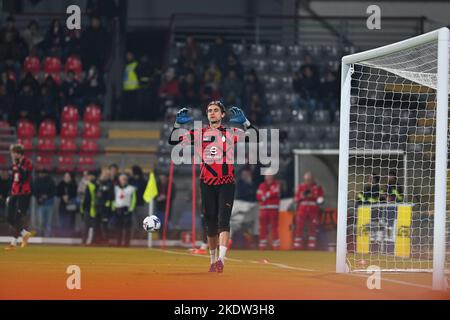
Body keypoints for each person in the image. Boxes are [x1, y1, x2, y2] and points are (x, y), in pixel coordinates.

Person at [168, 101, 258, 273]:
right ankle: (212, 260)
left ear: (223, 115)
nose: (212, 113)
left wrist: (245, 122)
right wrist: (177, 124)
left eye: (216, 110)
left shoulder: (231, 132)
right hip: (207, 183)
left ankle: (221, 261)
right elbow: (173, 140)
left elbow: (255, 137)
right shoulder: (199, 133)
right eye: (209, 110)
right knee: (209, 222)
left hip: (227, 182)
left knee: (223, 220)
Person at [4, 144, 33, 251]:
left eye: (13, 153)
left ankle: (13, 243)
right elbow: (13, 181)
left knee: (18, 217)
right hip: (14, 193)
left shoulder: (27, 163)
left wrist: (19, 166)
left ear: (18, 153)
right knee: (9, 217)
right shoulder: (14, 165)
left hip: (24, 193)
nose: (11, 155)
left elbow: (25, 177)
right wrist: (8, 194)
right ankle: (24, 233)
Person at [294, 172, 324, 250]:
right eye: (307, 180)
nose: (308, 181)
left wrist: (313, 196)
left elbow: (321, 199)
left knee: (313, 226)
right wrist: (303, 196)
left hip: (313, 209)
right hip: (302, 209)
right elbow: (296, 199)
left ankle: (312, 246)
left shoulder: (317, 187)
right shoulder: (301, 187)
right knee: (299, 226)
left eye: (309, 179)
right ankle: (297, 245)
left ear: (312, 179)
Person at [256, 173, 281, 250]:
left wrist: (266, 195)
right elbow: (258, 196)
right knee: (263, 227)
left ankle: (276, 246)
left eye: (270, 176)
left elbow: (275, 193)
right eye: (268, 176)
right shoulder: (262, 185)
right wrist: (268, 194)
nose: (269, 177)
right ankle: (262, 246)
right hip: (264, 209)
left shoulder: (276, 184)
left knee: (274, 227)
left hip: (273, 209)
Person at [113, 173, 137, 247]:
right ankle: (118, 243)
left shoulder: (131, 188)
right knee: (118, 227)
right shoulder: (115, 188)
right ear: (119, 180)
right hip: (117, 209)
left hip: (127, 209)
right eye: (122, 179)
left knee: (127, 228)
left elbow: (134, 199)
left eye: (125, 179)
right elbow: (113, 198)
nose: (123, 180)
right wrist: (113, 207)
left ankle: (126, 243)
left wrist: (130, 209)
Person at [33, 169, 56, 237]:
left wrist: (47, 196)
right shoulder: (36, 181)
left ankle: (47, 235)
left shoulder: (51, 181)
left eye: (43, 173)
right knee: (40, 221)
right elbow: (34, 191)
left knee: (48, 221)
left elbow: (54, 191)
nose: (42, 174)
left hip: (49, 203)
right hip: (40, 204)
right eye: (41, 173)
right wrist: (39, 197)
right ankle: (40, 234)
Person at [95, 168, 114, 244]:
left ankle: (105, 240)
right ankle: (97, 240)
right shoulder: (97, 183)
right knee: (96, 224)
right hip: (98, 206)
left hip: (106, 209)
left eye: (106, 175)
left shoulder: (110, 184)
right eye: (103, 174)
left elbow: (110, 196)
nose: (104, 176)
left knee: (104, 225)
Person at [57, 172, 78, 237]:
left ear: (70, 178)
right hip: (62, 205)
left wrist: (69, 197)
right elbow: (57, 193)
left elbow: (75, 194)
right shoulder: (61, 184)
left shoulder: (74, 184)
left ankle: (71, 234)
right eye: (65, 177)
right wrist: (62, 196)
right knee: (62, 220)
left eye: (68, 177)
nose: (66, 178)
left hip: (71, 204)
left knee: (71, 220)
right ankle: (62, 234)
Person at [80, 170, 98, 245]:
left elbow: (89, 198)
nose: (88, 177)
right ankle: (86, 241)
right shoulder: (87, 185)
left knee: (89, 226)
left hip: (91, 208)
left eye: (90, 175)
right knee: (87, 226)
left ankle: (89, 241)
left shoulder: (92, 185)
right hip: (87, 208)